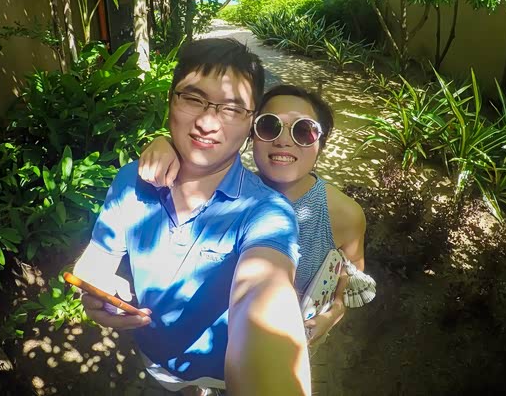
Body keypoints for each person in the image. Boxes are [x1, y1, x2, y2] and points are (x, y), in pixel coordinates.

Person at [73, 39, 311, 396]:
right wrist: (94, 286)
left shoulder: (266, 212)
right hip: (153, 362)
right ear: (171, 100)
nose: (207, 123)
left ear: (250, 123)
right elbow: (96, 259)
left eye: (232, 108)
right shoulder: (131, 181)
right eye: (193, 98)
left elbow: (267, 292)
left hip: (224, 376)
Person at [138, 84, 367, 347]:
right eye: (269, 126)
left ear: (321, 144)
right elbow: (194, 159)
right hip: (207, 340)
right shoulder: (224, 187)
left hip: (283, 344)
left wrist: (332, 314)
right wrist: (165, 144)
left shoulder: (344, 214)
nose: (283, 141)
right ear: (251, 135)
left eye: (303, 131)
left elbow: (348, 277)